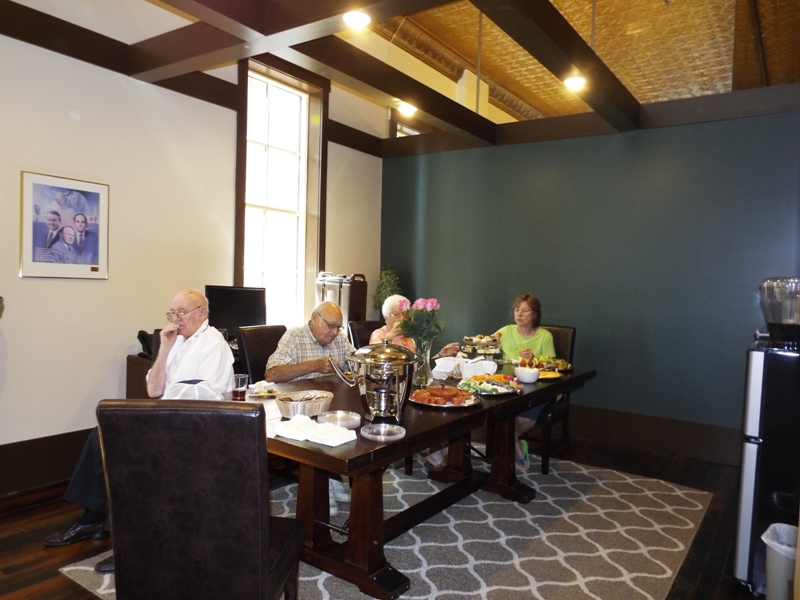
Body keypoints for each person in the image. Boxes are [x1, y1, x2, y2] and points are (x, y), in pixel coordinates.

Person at [44, 289, 234, 573]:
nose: (176, 319)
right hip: (164, 415)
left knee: (132, 455)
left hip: (194, 424)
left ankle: (132, 541)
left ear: (202, 312)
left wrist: (169, 391)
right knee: (102, 433)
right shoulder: (175, 341)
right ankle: (92, 519)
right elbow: (153, 389)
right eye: (172, 313)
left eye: (182, 312)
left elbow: (210, 394)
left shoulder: (213, 342)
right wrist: (165, 349)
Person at [265, 301, 355, 514]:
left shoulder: (339, 339)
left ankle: (332, 476)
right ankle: (324, 484)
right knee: (322, 424)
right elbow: (271, 374)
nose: (335, 332)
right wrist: (313, 365)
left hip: (330, 404)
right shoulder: (294, 336)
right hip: (297, 410)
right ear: (314, 318)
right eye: (330, 326)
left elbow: (356, 362)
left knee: (349, 419)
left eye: (338, 327)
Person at [494, 292, 556, 471]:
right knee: (494, 414)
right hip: (507, 384)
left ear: (535, 314)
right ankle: (517, 447)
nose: (519, 314)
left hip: (535, 387)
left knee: (522, 419)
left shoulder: (544, 336)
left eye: (525, 310)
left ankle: (510, 443)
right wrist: (491, 343)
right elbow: (486, 346)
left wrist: (534, 358)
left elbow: (552, 365)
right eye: (516, 310)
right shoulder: (505, 331)